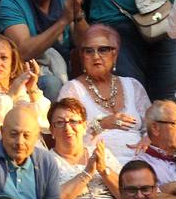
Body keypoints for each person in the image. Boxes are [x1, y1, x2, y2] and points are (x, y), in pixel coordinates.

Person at [0, 0, 85, 98]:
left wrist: (77, 14)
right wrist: (63, 21)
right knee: (52, 83)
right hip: (23, 80)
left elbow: (87, 46)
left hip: (65, 75)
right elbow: (23, 51)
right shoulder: (11, 3)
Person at [58, 24, 151, 157]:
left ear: (115, 54)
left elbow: (151, 127)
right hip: (97, 165)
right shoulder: (72, 90)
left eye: (103, 50)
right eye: (89, 51)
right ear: (82, 56)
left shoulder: (133, 85)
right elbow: (65, 139)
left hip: (140, 162)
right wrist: (100, 125)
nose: (96, 56)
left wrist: (148, 138)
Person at [49, 98, 122, 199]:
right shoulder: (46, 161)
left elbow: (127, 196)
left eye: (73, 121)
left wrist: (104, 170)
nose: (67, 127)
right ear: (52, 130)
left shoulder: (103, 153)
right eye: (60, 123)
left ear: (84, 126)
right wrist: (87, 173)